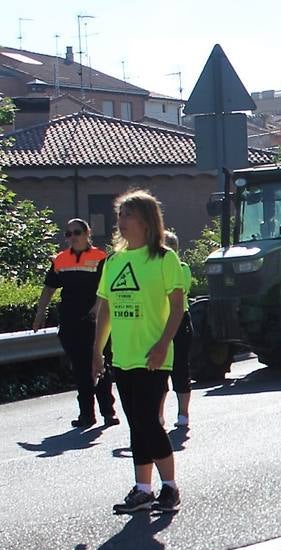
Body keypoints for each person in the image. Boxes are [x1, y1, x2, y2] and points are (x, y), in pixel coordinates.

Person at [92, 191, 187, 514]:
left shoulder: (163, 258)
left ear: (146, 221)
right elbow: (104, 309)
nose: (121, 221)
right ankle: (143, 489)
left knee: (148, 422)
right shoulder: (114, 262)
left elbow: (177, 308)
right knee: (136, 423)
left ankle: (170, 488)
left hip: (153, 356)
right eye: (120, 214)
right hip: (123, 356)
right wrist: (97, 352)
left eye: (128, 214)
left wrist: (162, 345)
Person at [31, 218, 118, 428]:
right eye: (68, 234)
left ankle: (108, 411)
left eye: (77, 232)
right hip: (70, 320)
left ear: (88, 233)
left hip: (95, 320)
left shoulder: (100, 258)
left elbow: (105, 288)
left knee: (100, 364)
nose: (72, 237)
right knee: (80, 369)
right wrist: (40, 313)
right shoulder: (60, 260)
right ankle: (86, 414)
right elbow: (49, 288)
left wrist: (97, 309)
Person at [159, 231, 194, 428]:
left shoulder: (182, 268)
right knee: (158, 370)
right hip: (159, 320)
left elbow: (179, 292)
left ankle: (183, 412)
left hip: (180, 320)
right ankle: (159, 414)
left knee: (180, 367)